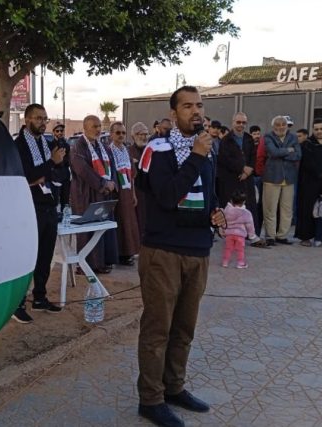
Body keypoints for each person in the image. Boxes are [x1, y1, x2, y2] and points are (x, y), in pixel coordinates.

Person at [134, 86, 225, 427]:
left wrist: (215, 211)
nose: (196, 111)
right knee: (158, 329)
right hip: (164, 252)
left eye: (199, 105)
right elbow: (168, 196)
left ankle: (173, 387)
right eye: (187, 106)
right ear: (173, 114)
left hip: (197, 250)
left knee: (184, 328)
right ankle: (150, 399)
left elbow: (208, 192)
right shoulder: (159, 149)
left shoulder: (206, 148)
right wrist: (197, 156)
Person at [12, 103, 65, 323]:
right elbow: (27, 176)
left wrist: (50, 168)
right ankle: (17, 303)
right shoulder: (19, 145)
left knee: (45, 255)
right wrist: (50, 164)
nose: (43, 123)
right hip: (30, 207)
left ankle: (40, 297)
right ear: (27, 120)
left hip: (49, 204)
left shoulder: (47, 143)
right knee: (27, 257)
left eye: (45, 118)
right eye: (38, 118)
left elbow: (58, 173)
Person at [70, 114, 118, 274]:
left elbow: (112, 166)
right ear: (85, 128)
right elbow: (83, 170)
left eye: (99, 126)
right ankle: (85, 265)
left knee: (102, 228)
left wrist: (112, 183)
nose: (98, 130)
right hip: (85, 195)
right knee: (87, 230)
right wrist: (103, 184)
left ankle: (102, 262)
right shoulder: (78, 147)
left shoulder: (102, 146)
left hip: (103, 194)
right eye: (94, 127)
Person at [294, 119, 322, 246]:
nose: (319, 131)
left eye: (321, 129)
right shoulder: (307, 144)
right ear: (313, 130)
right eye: (316, 129)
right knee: (308, 209)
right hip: (310, 183)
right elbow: (308, 163)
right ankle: (305, 237)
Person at [261, 115, 301, 245]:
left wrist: (281, 153)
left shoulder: (293, 137)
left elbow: (298, 155)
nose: (281, 127)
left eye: (283, 124)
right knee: (270, 209)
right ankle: (270, 236)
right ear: (273, 127)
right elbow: (273, 152)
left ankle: (282, 236)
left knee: (287, 209)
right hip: (272, 177)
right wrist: (289, 150)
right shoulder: (268, 137)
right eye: (278, 125)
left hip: (289, 178)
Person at [216, 112, 258, 233]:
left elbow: (253, 156)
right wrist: (242, 168)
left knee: (249, 207)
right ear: (233, 122)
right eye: (238, 122)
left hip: (247, 179)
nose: (241, 125)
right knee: (232, 208)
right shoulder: (226, 140)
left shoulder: (249, 138)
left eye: (243, 123)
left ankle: (251, 233)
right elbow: (225, 159)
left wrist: (248, 170)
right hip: (232, 179)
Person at [109, 122, 139, 266]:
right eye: (118, 133)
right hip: (117, 193)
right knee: (119, 223)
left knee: (129, 222)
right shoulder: (109, 151)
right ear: (111, 134)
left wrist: (134, 194)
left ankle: (128, 253)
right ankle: (118, 254)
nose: (121, 135)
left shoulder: (127, 151)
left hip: (127, 192)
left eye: (123, 133)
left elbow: (132, 174)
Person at [220, 190, 260, 268]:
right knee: (240, 250)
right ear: (244, 201)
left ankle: (225, 262)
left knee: (228, 248)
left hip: (229, 234)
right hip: (240, 235)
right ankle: (240, 263)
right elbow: (250, 225)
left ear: (231, 200)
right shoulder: (246, 213)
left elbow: (223, 222)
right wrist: (252, 235)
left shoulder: (227, 210)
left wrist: (223, 230)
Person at [130, 121, 150, 240]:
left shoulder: (151, 150)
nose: (144, 137)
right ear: (134, 136)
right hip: (136, 192)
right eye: (141, 134)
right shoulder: (129, 152)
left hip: (150, 192)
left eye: (146, 134)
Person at [49, 121, 71, 212]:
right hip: (55, 176)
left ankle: (64, 216)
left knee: (65, 201)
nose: (59, 133)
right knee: (54, 201)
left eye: (61, 130)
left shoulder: (67, 145)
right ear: (53, 132)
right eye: (57, 131)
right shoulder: (51, 145)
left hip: (65, 175)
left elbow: (69, 161)